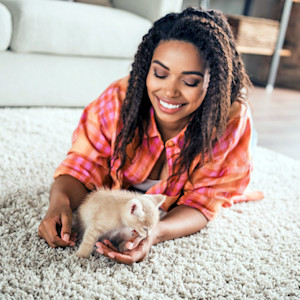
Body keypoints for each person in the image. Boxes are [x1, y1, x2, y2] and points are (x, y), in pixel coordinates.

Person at [38, 7, 260, 264]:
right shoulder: (120, 100)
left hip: (221, 130)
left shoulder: (228, 120)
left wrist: (154, 233)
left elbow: (203, 203)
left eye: (189, 82)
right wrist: (58, 205)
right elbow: (83, 165)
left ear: (213, 84)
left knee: (247, 158)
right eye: (160, 74)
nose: (170, 91)